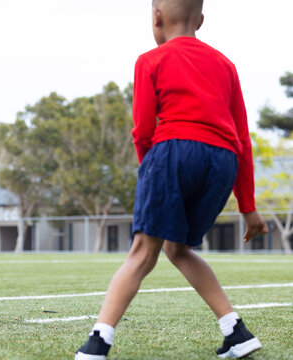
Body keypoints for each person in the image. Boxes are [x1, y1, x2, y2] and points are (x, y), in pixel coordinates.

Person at [75, 0, 269, 358]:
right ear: (201, 19)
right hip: (222, 161)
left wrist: (151, 172)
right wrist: (249, 206)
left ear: (156, 17)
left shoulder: (151, 60)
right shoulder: (226, 65)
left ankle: (96, 343)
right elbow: (242, 139)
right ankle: (236, 332)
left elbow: (143, 131)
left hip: (174, 154)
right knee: (177, 249)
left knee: (141, 252)